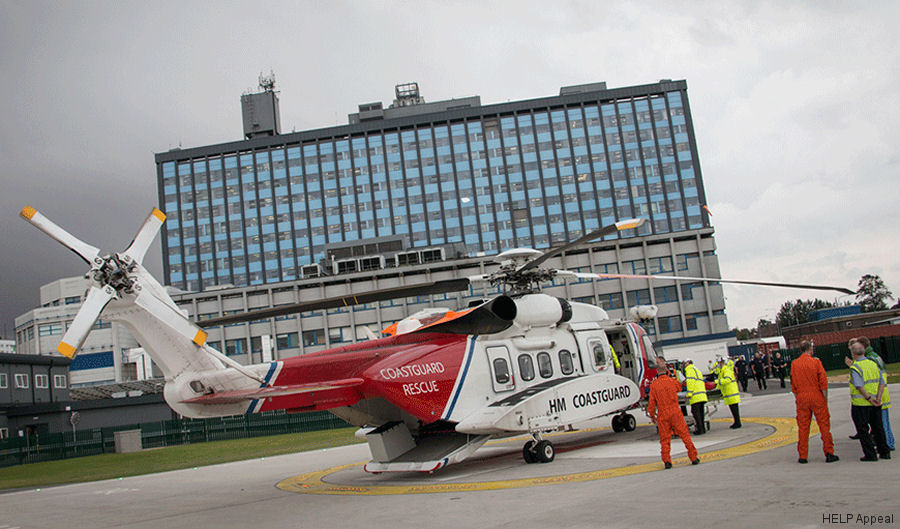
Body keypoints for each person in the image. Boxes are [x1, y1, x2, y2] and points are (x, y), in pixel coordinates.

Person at [790, 341, 838, 464]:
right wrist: (824, 398)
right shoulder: (816, 362)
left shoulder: (795, 364)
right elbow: (823, 381)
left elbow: (793, 383)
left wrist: (798, 397)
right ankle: (828, 452)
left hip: (802, 396)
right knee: (824, 425)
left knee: (803, 427)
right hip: (816, 395)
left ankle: (803, 455)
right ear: (810, 349)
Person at [648, 357, 700, 469]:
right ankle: (693, 457)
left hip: (662, 414)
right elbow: (679, 388)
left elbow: (651, 403)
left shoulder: (654, 385)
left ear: (657, 372)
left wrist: (652, 416)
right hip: (675, 412)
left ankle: (667, 461)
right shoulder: (672, 382)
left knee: (665, 439)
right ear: (667, 371)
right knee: (685, 435)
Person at [848, 340, 890, 461]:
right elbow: (882, 382)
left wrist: (869, 398)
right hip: (876, 401)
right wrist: (878, 398)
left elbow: (859, 385)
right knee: (878, 427)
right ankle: (884, 451)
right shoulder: (873, 364)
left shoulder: (855, 367)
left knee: (863, 430)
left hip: (861, 403)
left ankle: (870, 454)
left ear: (853, 353)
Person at [683, 358, 708, 435]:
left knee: (695, 412)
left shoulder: (689, 370)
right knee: (701, 413)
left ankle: (699, 429)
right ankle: (702, 428)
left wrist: (689, 393)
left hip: (696, 395)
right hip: (702, 394)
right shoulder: (697, 370)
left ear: (688, 363)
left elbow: (690, 382)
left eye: (684, 363)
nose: (684, 365)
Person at [716, 356, 742, 428]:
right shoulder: (723, 370)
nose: (718, 364)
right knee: (733, 409)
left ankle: (737, 423)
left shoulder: (726, 370)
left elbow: (727, 380)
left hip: (731, 392)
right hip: (729, 393)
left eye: (719, 363)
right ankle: (736, 422)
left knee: (734, 409)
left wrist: (717, 382)